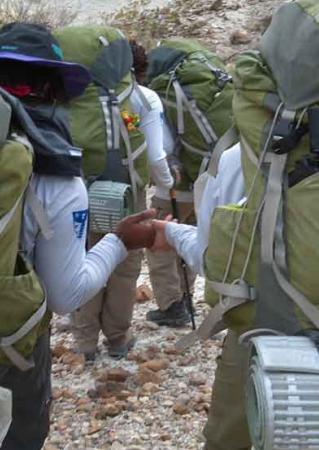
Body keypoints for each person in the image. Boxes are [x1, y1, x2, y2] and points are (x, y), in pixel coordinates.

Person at [0, 23, 157, 450]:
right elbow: (64, 294)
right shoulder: (57, 181)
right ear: (56, 93)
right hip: (8, 352)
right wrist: (120, 241)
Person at [69, 40, 176, 362]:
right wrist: (166, 186)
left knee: (86, 261)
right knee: (124, 268)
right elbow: (156, 156)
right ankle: (117, 338)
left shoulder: (71, 95)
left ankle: (85, 343)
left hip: (81, 192)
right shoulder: (144, 98)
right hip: (130, 192)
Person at [150, 143, 248, 450]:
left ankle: (172, 305)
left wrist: (171, 233)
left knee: (227, 440)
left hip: (259, 327)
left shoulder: (240, 154)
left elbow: (211, 259)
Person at [132, 40, 199, 328]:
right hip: (201, 179)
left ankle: (172, 306)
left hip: (172, 186)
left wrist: (164, 179)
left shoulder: (152, 97)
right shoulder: (189, 94)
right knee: (189, 237)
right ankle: (187, 299)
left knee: (160, 246)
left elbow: (161, 148)